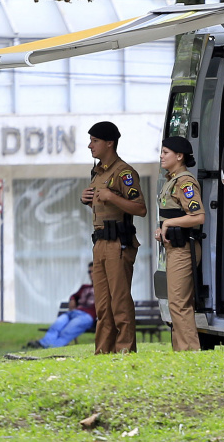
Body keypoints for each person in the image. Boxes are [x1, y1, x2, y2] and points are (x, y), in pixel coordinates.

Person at [80, 121, 147, 354]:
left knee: (119, 302)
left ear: (109, 143)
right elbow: (102, 204)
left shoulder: (124, 172)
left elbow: (140, 208)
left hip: (119, 243)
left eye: (95, 140)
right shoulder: (97, 172)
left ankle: (125, 350)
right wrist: (87, 199)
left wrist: (111, 196)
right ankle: (103, 352)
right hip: (99, 242)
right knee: (102, 306)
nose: (90, 146)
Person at [155, 136, 205, 351]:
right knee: (175, 303)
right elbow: (171, 213)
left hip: (183, 248)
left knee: (179, 303)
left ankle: (189, 352)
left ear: (179, 155)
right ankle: (180, 352)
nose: (161, 156)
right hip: (173, 248)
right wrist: (162, 227)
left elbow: (198, 216)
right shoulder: (172, 180)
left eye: (165, 152)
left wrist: (169, 224)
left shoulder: (185, 182)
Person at [25, 263, 96, 349]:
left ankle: (52, 347)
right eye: (89, 272)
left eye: (93, 271)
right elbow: (74, 296)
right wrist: (72, 299)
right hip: (72, 313)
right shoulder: (84, 287)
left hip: (86, 317)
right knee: (55, 327)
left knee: (67, 332)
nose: (91, 274)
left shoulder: (104, 288)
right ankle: (43, 344)